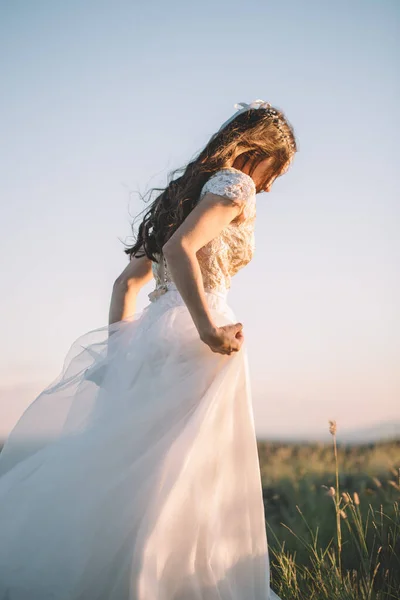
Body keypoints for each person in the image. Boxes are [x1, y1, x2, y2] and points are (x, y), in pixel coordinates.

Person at [0, 99, 297, 599]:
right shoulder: (234, 185)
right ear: (256, 152)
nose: (269, 185)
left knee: (144, 477)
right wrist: (207, 329)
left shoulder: (180, 196)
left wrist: (122, 356)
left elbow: (125, 285)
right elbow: (183, 250)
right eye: (275, 170)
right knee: (191, 482)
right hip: (200, 338)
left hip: (158, 338)